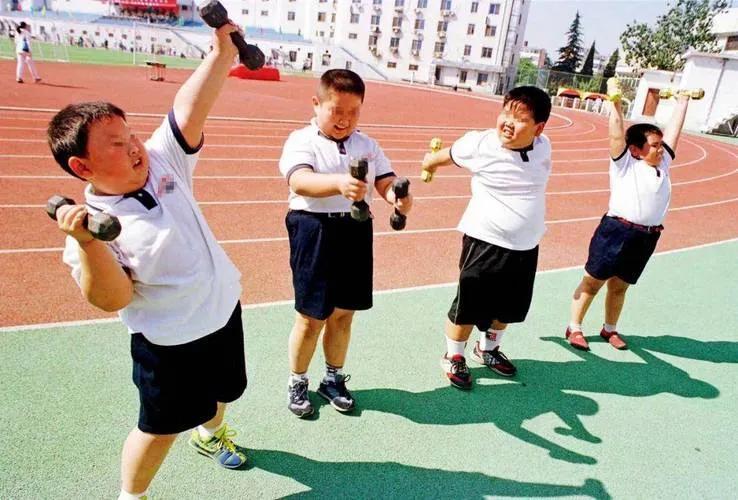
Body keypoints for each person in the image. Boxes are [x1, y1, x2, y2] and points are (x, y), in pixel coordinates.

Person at [47, 23, 247, 500]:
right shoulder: (90, 229)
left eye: (131, 134)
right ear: (82, 167)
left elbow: (188, 109)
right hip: (170, 344)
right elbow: (111, 298)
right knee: (159, 429)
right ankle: (131, 497)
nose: (134, 146)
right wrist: (89, 245)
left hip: (222, 314)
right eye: (116, 144)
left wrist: (221, 55)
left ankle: (210, 434)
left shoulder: (162, 160)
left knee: (222, 394)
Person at [278, 69, 413, 417]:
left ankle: (332, 379)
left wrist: (397, 198)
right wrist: (339, 183)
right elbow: (299, 181)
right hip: (314, 229)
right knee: (311, 317)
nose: (345, 119)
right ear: (316, 103)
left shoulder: (367, 145)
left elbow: (385, 182)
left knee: (343, 315)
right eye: (337, 110)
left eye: (354, 112)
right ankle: (298, 380)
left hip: (355, 229)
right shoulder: (301, 140)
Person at [421, 86, 552, 390]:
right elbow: (447, 155)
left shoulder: (544, 147)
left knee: (508, 306)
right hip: (484, 242)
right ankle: (454, 355)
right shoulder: (480, 144)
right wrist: (429, 163)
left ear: (539, 128)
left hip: (525, 246)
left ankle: (488, 349)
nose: (508, 123)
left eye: (520, 119)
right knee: (469, 304)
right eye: (505, 113)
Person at [564, 80, 693, 351]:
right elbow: (615, 135)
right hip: (616, 231)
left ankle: (609, 329)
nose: (660, 149)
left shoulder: (663, 164)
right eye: (654, 145)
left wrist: (683, 102)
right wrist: (615, 104)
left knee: (620, 286)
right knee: (593, 282)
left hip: (646, 237)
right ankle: (574, 327)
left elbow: (674, 134)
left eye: (660, 145)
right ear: (635, 149)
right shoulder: (625, 164)